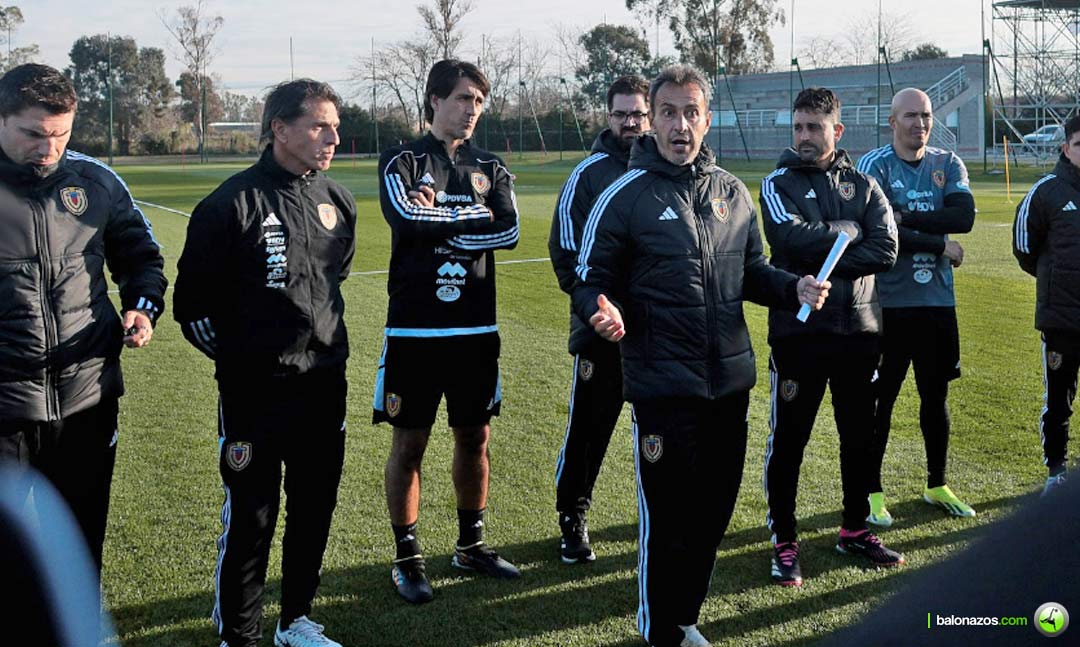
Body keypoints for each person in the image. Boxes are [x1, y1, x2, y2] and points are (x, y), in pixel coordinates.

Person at [574, 64, 829, 647]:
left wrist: (793, 287)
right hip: (663, 387)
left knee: (714, 513)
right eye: (669, 112)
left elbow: (754, 271)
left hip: (728, 384)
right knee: (668, 521)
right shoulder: (623, 196)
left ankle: (684, 616)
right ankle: (660, 629)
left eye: (691, 113)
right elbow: (589, 279)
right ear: (653, 121)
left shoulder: (732, 193)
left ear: (707, 120)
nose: (680, 125)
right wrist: (599, 308)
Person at [173, 79, 355, 647]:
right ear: (280, 129)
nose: (333, 138)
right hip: (256, 393)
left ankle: (295, 620)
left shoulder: (337, 201)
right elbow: (193, 309)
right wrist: (248, 360)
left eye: (335, 127)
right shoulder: (230, 204)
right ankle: (241, 636)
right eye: (319, 126)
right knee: (253, 517)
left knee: (314, 508)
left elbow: (334, 280)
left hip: (324, 384)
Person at [0, 63, 165, 577]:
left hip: (86, 397)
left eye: (61, 134)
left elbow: (141, 257)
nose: (49, 148)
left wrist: (142, 306)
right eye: (33, 134)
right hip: (5, 403)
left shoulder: (95, 181)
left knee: (78, 546)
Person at [375, 59, 521, 605]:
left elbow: (509, 230)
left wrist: (443, 225)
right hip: (415, 329)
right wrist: (474, 218)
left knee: (475, 437)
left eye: (479, 101)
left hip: (476, 329)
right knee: (410, 441)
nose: (472, 109)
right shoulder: (403, 160)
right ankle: (407, 557)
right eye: (463, 98)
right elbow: (405, 218)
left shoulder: (491, 166)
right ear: (435, 100)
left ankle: (470, 546)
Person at [759, 87, 901, 588]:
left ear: (836, 131)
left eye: (813, 127)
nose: (803, 136)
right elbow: (787, 238)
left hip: (859, 333)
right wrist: (848, 231)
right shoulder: (777, 183)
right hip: (799, 335)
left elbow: (886, 249)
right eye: (798, 126)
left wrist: (828, 247)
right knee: (789, 441)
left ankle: (855, 530)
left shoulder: (864, 185)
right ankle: (784, 540)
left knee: (859, 438)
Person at [857, 88, 977, 524]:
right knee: (879, 400)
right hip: (886, 303)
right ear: (892, 122)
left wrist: (905, 218)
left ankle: (936, 483)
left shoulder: (948, 163)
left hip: (937, 302)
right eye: (910, 116)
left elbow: (962, 217)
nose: (920, 123)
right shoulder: (874, 165)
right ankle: (871, 493)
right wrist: (940, 245)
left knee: (935, 394)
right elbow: (880, 231)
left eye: (925, 115)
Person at [548, 74, 650, 564]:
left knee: (663, 431)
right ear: (607, 117)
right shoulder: (587, 175)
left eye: (638, 114)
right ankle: (572, 516)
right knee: (590, 429)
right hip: (602, 330)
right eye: (621, 114)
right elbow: (567, 254)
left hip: (658, 332)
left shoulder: (665, 169)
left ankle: (661, 517)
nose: (630, 122)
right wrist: (595, 309)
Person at [1013, 113, 1080, 497]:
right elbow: (1025, 247)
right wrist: (1055, 280)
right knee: (1058, 401)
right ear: (1066, 148)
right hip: (1062, 319)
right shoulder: (1046, 191)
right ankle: (1056, 472)